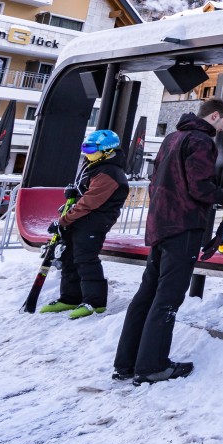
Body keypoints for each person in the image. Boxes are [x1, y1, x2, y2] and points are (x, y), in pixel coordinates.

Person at [113, 98, 223, 384]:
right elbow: (199, 187)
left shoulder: (172, 137)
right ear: (215, 116)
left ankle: (127, 363)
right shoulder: (201, 141)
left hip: (160, 224)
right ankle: (152, 366)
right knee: (168, 299)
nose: (221, 130)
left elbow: (155, 180)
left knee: (146, 295)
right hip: (183, 226)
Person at [39, 129, 130, 319]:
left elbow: (90, 201)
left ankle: (95, 302)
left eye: (90, 148)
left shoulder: (110, 172)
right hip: (80, 220)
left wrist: (63, 220)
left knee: (85, 258)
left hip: (94, 222)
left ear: (106, 150)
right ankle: (70, 297)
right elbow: (83, 193)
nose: (86, 152)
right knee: (69, 257)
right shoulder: (93, 165)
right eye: (84, 147)